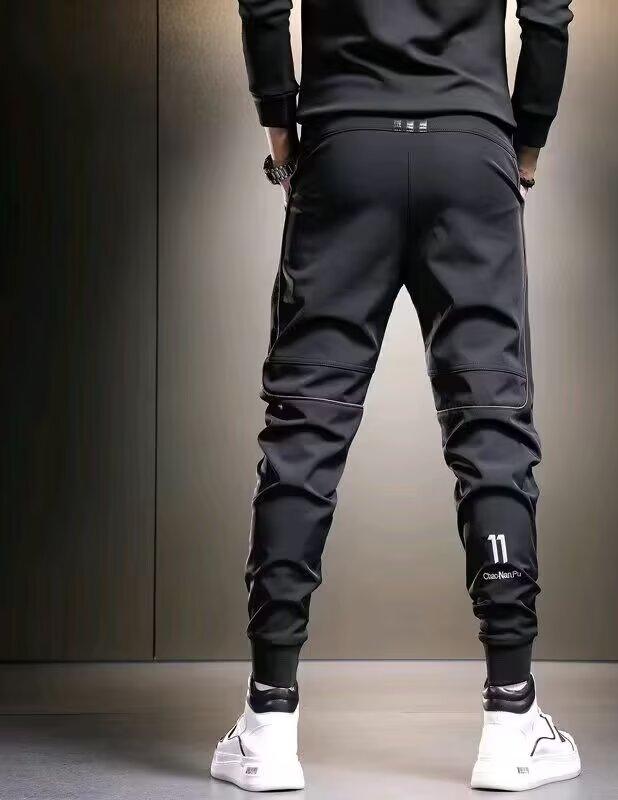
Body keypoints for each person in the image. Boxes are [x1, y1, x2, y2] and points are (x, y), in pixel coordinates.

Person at [211, 0, 579, 792]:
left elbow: (264, 4)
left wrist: (280, 122)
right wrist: (527, 139)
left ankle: (268, 723)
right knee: (490, 423)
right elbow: (548, 15)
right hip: (472, 150)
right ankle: (511, 721)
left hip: (344, 145)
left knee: (304, 429)